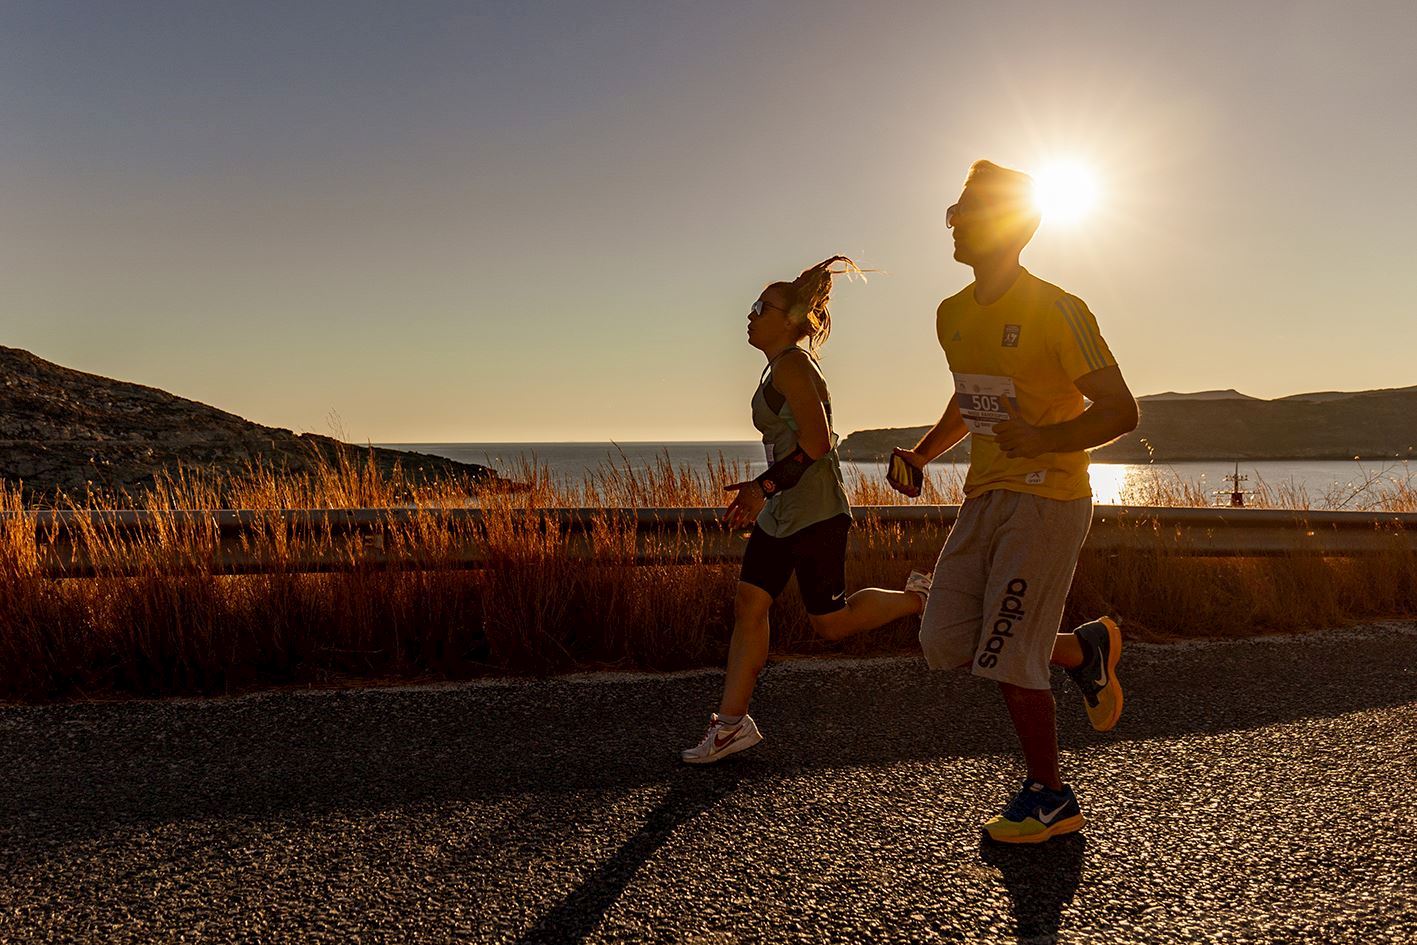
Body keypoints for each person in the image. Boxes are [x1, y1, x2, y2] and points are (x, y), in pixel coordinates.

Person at [890, 161, 1138, 843]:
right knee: (943, 637)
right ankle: (1080, 651)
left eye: (968, 209)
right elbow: (970, 398)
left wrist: (1046, 436)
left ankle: (1051, 797)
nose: (954, 220)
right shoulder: (951, 314)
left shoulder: (1059, 309)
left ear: (1009, 226)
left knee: (1004, 652)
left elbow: (1121, 409)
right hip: (984, 496)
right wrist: (919, 453)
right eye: (955, 208)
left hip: (1049, 498)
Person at [682, 256, 933, 764]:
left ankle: (918, 599)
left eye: (762, 307)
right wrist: (763, 496)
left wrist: (761, 488)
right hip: (782, 513)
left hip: (815, 511)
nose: (749, 314)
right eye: (753, 305)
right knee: (750, 606)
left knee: (832, 624)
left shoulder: (794, 364)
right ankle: (731, 727)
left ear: (792, 320)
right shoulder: (777, 367)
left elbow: (818, 444)